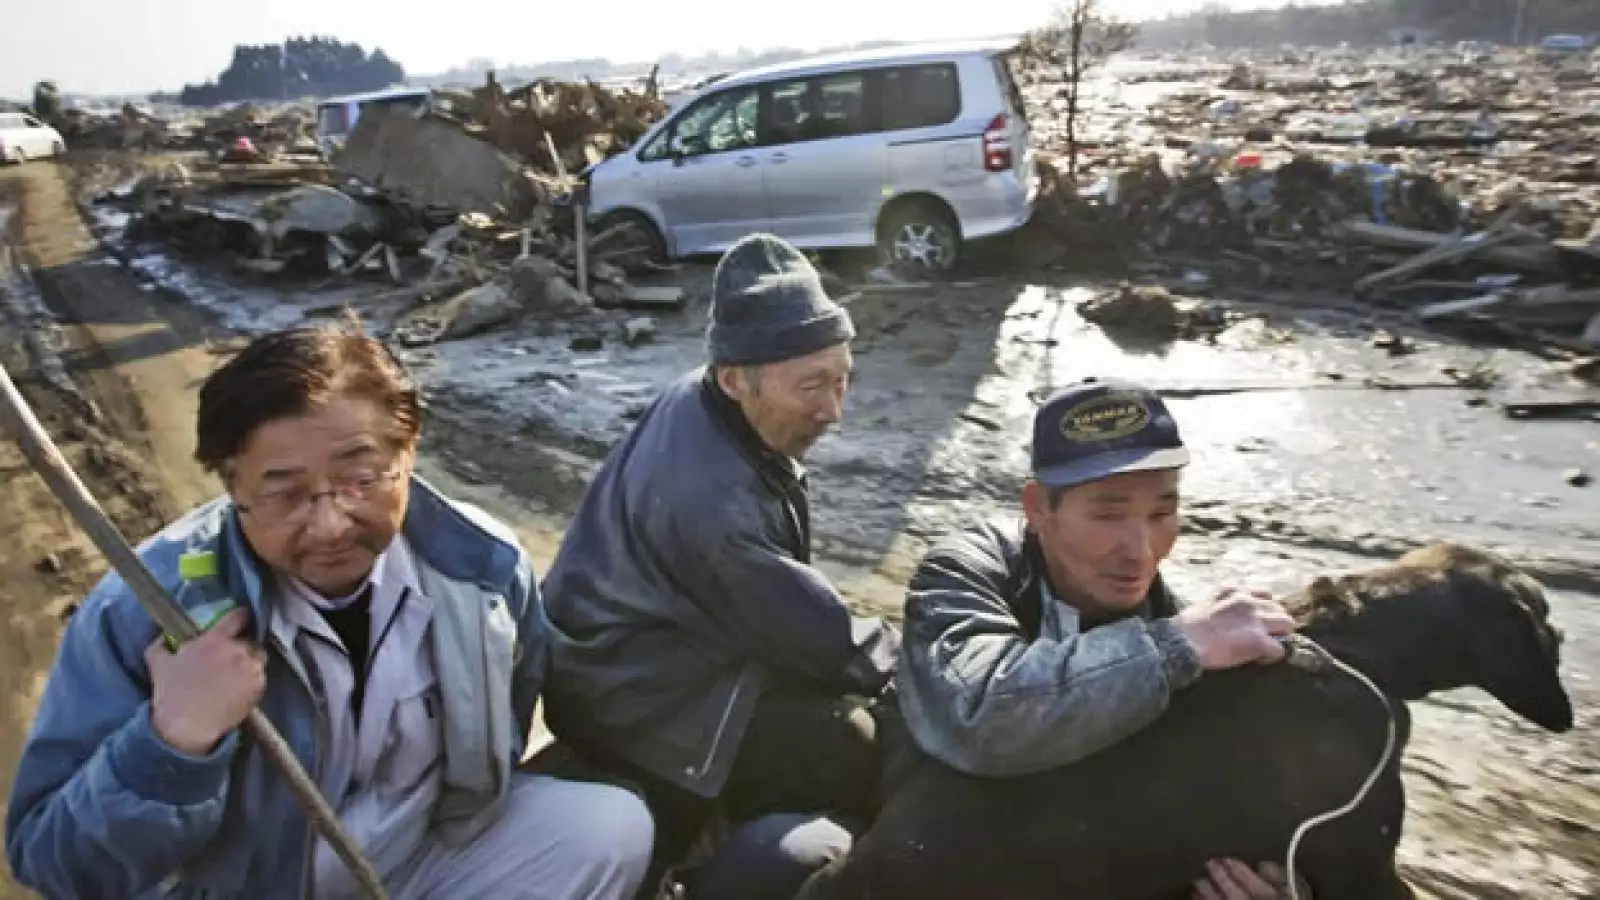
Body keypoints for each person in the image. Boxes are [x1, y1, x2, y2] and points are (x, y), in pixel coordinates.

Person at [4, 318, 653, 900]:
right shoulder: (149, 607)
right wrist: (173, 740)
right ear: (231, 483)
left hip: (414, 859)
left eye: (360, 479)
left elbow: (508, 726)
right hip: (251, 888)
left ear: (408, 449)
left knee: (605, 829)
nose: (330, 524)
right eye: (284, 494)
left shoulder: (483, 568)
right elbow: (53, 863)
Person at [538, 233, 900, 900]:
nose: (834, 409)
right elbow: (825, 641)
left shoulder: (704, 395)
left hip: (628, 649)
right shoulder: (712, 507)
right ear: (736, 380)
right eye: (811, 386)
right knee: (856, 743)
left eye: (842, 378)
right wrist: (917, 669)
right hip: (630, 692)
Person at [896, 376, 1309, 900]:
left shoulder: (1183, 628)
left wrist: (1278, 882)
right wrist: (1173, 648)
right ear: (1037, 508)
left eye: (1161, 514)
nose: (1140, 550)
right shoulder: (968, 570)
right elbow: (980, 718)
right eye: (1108, 515)